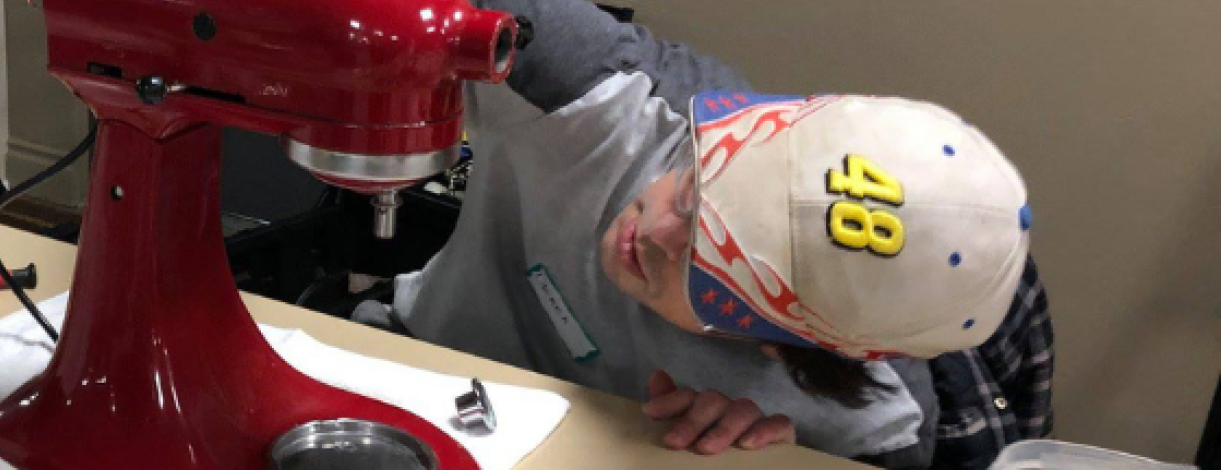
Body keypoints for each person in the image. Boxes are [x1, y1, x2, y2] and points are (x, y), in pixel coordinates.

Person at [385, 1, 1055, 468]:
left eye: (706, 266)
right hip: (405, 367)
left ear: (777, 349)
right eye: (693, 184)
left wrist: (756, 460)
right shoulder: (603, 90)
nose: (654, 231)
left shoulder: (868, 431)